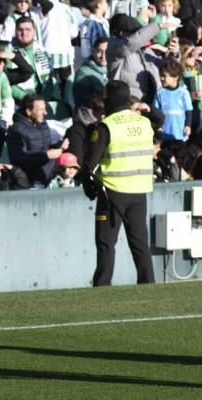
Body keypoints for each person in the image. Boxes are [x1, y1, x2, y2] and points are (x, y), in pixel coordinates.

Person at [80, 80, 155, 286]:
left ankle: (102, 286)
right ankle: (148, 284)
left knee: (106, 243)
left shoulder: (107, 126)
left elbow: (89, 164)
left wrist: (88, 186)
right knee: (140, 243)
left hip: (112, 192)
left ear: (108, 99)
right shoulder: (143, 122)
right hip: (139, 190)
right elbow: (160, 118)